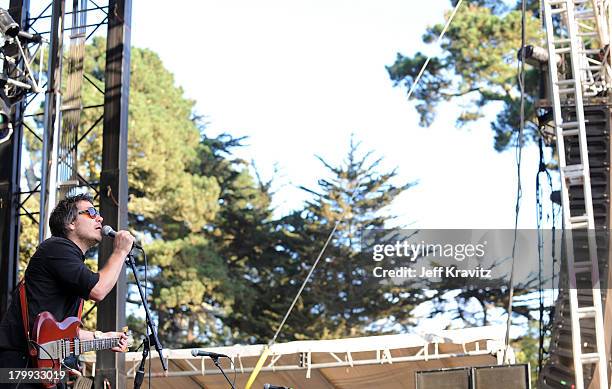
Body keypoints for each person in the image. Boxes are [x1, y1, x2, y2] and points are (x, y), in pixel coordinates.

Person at [0, 193, 133, 386]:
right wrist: (120, 251)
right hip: (20, 368)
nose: (100, 217)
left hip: (33, 369)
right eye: (91, 212)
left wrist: (103, 337)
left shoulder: (67, 262)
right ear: (71, 223)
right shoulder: (57, 248)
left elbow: (59, 332)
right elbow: (98, 290)